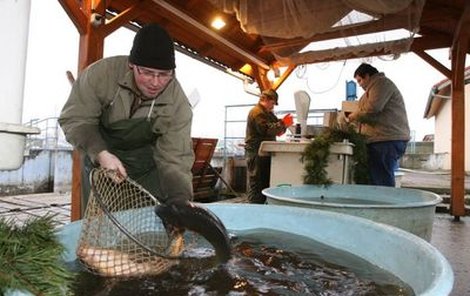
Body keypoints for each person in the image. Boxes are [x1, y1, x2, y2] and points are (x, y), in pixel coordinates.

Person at [59, 23, 194, 216]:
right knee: (100, 228)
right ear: (132, 65)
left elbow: (175, 159)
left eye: (164, 75)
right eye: (147, 73)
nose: (156, 83)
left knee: (147, 228)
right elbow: (76, 119)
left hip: (146, 169)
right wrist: (100, 153)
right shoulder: (100, 75)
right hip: (102, 160)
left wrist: (180, 200)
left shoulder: (177, 103)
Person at [347, 63, 410, 187]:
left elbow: (373, 107)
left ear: (367, 76)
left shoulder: (381, 84)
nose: (359, 84)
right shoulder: (374, 88)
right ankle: (380, 203)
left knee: (381, 178)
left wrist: (353, 116)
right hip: (381, 138)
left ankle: (385, 205)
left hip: (386, 138)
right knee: (377, 177)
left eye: (360, 80)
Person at [244, 89, 293, 203]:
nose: (273, 107)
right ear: (265, 100)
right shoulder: (257, 112)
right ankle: (254, 209)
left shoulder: (268, 114)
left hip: (264, 154)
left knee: (264, 184)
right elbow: (266, 130)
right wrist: (283, 123)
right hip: (256, 154)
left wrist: (283, 125)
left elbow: (277, 130)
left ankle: (260, 209)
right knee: (257, 186)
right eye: (272, 103)